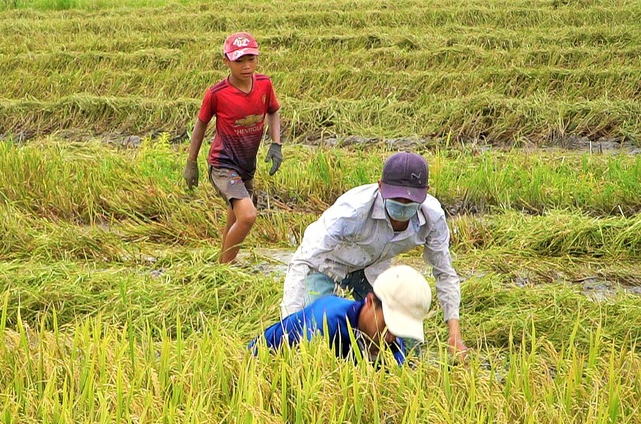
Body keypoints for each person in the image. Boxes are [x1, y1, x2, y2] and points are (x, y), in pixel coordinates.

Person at [280, 152, 469, 357]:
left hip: (373, 272)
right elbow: (303, 260)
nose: (403, 204)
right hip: (327, 266)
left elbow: (445, 273)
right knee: (321, 335)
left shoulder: (433, 218)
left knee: (403, 342)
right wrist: (290, 321)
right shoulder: (352, 211)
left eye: (410, 199)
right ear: (380, 186)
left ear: (425, 194)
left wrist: (454, 333)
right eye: (396, 198)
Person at [184, 32, 282, 264]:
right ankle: (224, 269)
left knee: (234, 220)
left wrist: (276, 144)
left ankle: (225, 259)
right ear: (226, 61)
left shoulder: (264, 84)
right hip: (223, 163)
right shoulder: (217, 94)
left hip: (247, 165)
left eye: (251, 59)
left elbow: (273, 110)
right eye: (239, 61)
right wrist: (191, 163)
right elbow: (200, 125)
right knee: (247, 216)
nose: (246, 66)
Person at [249, 265, 432, 366]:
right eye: (389, 325)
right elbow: (307, 388)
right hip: (259, 366)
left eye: (400, 330)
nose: (391, 337)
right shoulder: (324, 324)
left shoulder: (391, 343)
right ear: (369, 302)